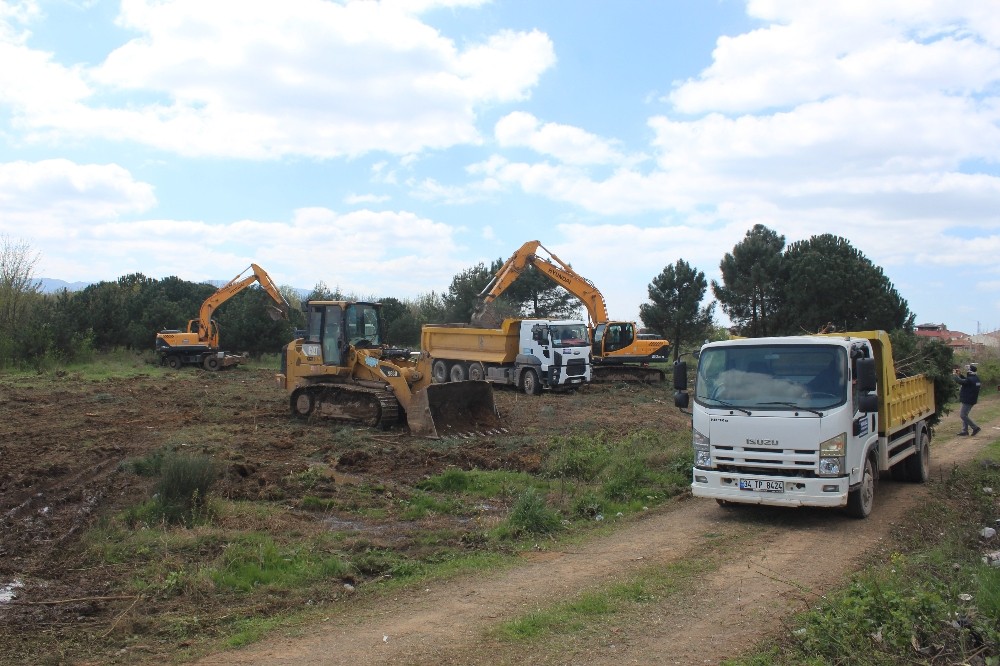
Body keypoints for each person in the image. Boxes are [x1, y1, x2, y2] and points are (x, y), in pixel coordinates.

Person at [954, 363, 982, 436]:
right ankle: (965, 431)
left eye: (968, 370)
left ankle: (975, 428)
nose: (967, 371)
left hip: (968, 400)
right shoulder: (976, 378)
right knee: (965, 415)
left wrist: (954, 375)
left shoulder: (970, 380)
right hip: (971, 399)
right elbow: (966, 381)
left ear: (970, 371)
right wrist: (960, 375)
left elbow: (961, 381)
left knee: (963, 415)